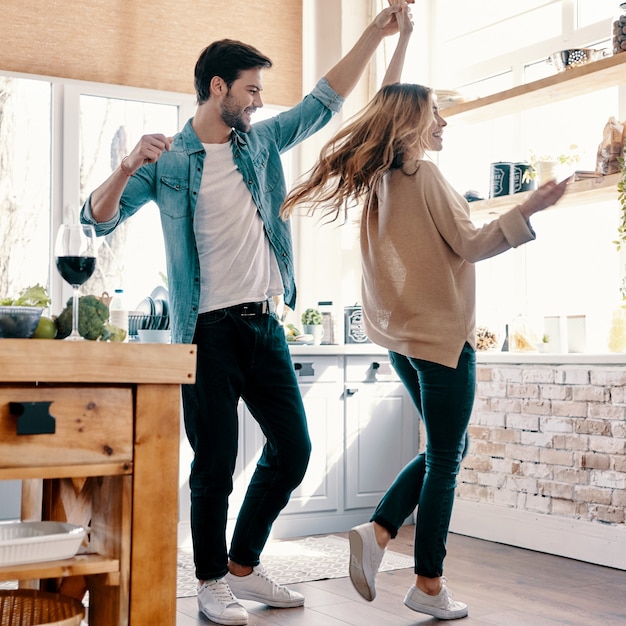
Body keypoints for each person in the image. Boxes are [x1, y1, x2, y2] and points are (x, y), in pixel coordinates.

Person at [80, 3, 414, 625]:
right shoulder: (171, 162)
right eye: (251, 89)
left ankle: (243, 565)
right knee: (213, 466)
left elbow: (324, 101)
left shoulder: (259, 143)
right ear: (218, 87)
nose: (259, 101)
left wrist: (375, 32)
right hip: (207, 333)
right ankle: (210, 582)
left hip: (266, 325)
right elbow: (95, 219)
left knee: (292, 449)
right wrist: (127, 165)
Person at [280, 57, 569, 621]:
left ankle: (380, 528)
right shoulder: (424, 176)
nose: (444, 123)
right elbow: (474, 244)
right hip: (440, 340)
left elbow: (391, 94)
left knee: (447, 449)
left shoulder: (378, 183)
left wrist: (404, 32)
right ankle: (427, 583)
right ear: (412, 120)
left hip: (399, 338)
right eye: (436, 113)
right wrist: (529, 207)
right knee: (445, 459)